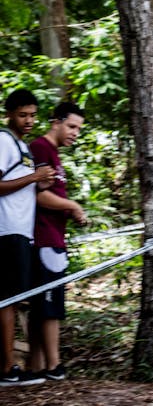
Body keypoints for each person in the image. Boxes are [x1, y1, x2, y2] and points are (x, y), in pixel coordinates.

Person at [0, 88, 55, 387]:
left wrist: (43, 181)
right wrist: (34, 177)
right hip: (6, 229)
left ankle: (10, 366)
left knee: (15, 298)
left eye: (33, 115)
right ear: (9, 114)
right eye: (22, 115)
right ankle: (7, 369)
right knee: (7, 299)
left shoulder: (22, 147)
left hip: (22, 231)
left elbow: (24, 186)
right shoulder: (3, 141)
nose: (29, 121)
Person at [29, 102, 87, 382]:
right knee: (50, 306)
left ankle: (36, 365)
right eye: (72, 126)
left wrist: (68, 209)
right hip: (44, 238)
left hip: (54, 237)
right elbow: (38, 196)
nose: (75, 133)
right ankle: (54, 366)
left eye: (79, 129)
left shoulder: (52, 152)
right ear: (56, 122)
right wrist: (72, 205)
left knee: (45, 304)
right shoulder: (40, 148)